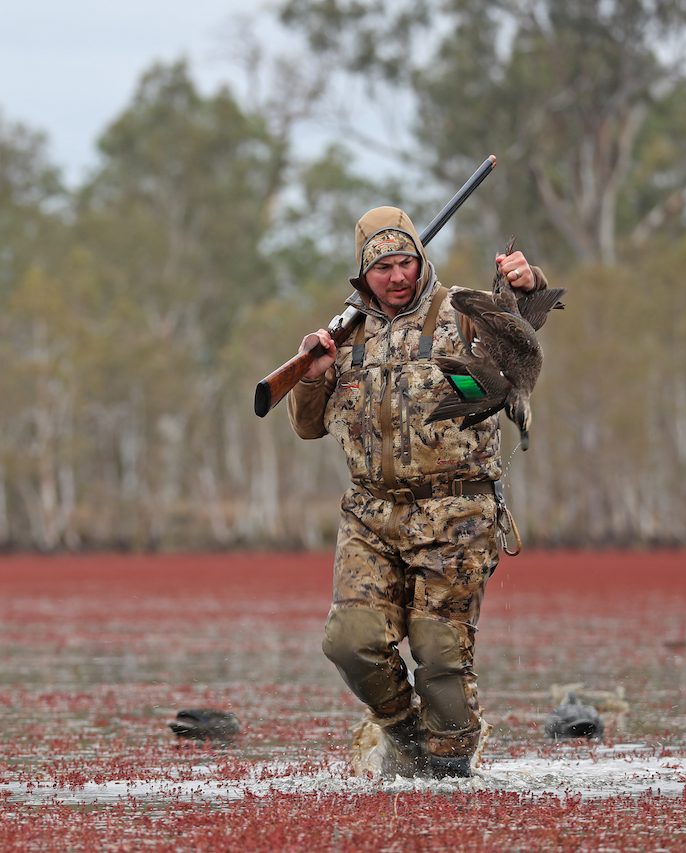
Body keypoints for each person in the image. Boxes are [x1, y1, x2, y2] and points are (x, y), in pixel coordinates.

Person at [287, 206, 552, 778]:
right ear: (363, 274)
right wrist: (313, 375)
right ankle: (405, 738)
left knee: (440, 665)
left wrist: (530, 287)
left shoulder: (462, 311)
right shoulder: (344, 337)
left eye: (406, 261)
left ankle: (451, 775)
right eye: (382, 266)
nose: (398, 275)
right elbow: (308, 425)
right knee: (349, 643)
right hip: (371, 518)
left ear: (421, 258)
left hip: (456, 515)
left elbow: (521, 333)